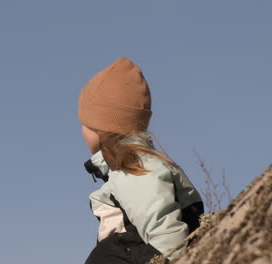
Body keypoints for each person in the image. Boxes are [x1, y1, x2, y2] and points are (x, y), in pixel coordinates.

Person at [78, 57, 204, 264]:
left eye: (85, 122)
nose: (81, 130)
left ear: (100, 128)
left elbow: (168, 240)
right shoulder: (133, 168)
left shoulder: (135, 170)